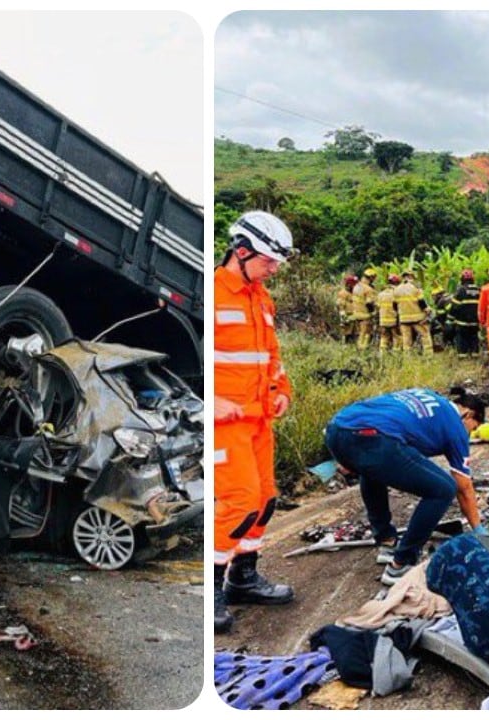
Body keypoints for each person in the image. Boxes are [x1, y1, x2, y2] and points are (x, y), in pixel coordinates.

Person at [214, 210, 296, 634]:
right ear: (241, 252)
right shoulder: (211, 293)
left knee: (265, 498)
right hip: (224, 424)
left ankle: (242, 578)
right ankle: (211, 591)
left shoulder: (260, 297)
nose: (274, 268)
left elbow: (271, 356)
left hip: (259, 420)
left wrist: (282, 391)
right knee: (240, 501)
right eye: (268, 260)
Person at [324, 387, 486, 585]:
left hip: (336, 429)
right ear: (467, 414)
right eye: (474, 427)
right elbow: (464, 488)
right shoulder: (456, 427)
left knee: (373, 469)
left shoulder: (427, 395)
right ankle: (401, 565)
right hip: (374, 438)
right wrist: (478, 529)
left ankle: (386, 542)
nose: (470, 433)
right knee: (443, 489)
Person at [450, 269, 481, 357]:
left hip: (462, 322)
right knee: (474, 337)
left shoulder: (461, 290)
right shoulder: (478, 289)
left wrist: (450, 319)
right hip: (475, 320)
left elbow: (454, 306)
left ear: (462, 279)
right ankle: (475, 354)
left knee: (462, 338)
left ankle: (463, 356)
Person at [394, 271, 427, 351]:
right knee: (425, 335)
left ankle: (407, 358)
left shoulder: (397, 289)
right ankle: (428, 355)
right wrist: (426, 310)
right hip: (417, 318)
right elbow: (421, 301)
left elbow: (394, 305)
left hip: (404, 318)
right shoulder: (416, 287)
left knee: (406, 339)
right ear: (411, 276)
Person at [351, 269, 378, 349]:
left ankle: (359, 347)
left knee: (359, 333)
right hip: (365, 315)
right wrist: (373, 312)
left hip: (356, 313)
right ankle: (362, 349)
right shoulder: (368, 289)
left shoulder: (356, 286)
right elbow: (369, 303)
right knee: (365, 333)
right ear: (371, 278)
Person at [376, 274, 400, 353]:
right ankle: (396, 354)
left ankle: (382, 354)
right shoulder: (396, 293)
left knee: (384, 337)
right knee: (396, 337)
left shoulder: (381, 294)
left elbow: (378, 307)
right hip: (394, 320)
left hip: (383, 320)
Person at [429, 285, 452, 352]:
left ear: (438, 295)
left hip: (450, 323)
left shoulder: (441, 302)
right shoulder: (451, 296)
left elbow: (440, 317)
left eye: (434, 297)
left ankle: (446, 348)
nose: (433, 299)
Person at [336, 274, 357, 343]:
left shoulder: (354, 293)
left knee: (354, 335)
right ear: (348, 284)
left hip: (355, 317)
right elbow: (340, 305)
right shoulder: (343, 293)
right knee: (346, 334)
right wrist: (343, 316)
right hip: (347, 316)